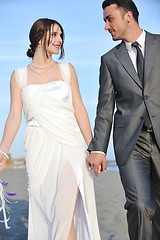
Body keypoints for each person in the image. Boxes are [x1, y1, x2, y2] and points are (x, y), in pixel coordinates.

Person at [0, 18, 101, 240]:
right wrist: (2, 152)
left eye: (61, 35)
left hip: (70, 146)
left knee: (62, 214)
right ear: (38, 38)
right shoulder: (18, 76)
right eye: (54, 35)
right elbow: (15, 116)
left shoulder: (67, 70)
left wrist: (95, 148)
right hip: (38, 150)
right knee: (51, 215)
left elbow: (80, 110)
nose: (59, 40)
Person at [87, 0, 160, 239]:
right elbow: (105, 108)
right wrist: (98, 148)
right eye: (105, 21)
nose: (106, 26)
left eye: (110, 19)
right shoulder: (109, 60)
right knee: (140, 205)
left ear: (128, 16)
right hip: (131, 144)